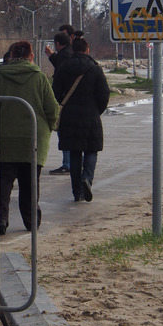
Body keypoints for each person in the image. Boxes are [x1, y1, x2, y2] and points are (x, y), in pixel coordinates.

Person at [0, 41, 60, 235]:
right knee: (30, 184)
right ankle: (31, 221)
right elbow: (52, 107)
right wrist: (49, 126)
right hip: (33, 140)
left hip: (3, 139)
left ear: (12, 55)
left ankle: (1, 221)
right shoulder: (39, 77)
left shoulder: (0, 76)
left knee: (3, 186)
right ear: (31, 56)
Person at [52, 37, 110, 202]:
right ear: (87, 49)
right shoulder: (95, 69)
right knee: (92, 150)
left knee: (74, 152)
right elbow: (104, 94)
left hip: (69, 116)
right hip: (91, 115)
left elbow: (55, 92)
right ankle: (87, 178)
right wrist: (97, 110)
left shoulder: (63, 67)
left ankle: (77, 192)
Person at [43, 30, 73, 176]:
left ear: (58, 44)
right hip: (72, 99)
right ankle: (71, 162)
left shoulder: (63, 56)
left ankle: (67, 163)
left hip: (63, 100)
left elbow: (60, 77)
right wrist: (52, 56)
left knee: (64, 132)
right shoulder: (71, 54)